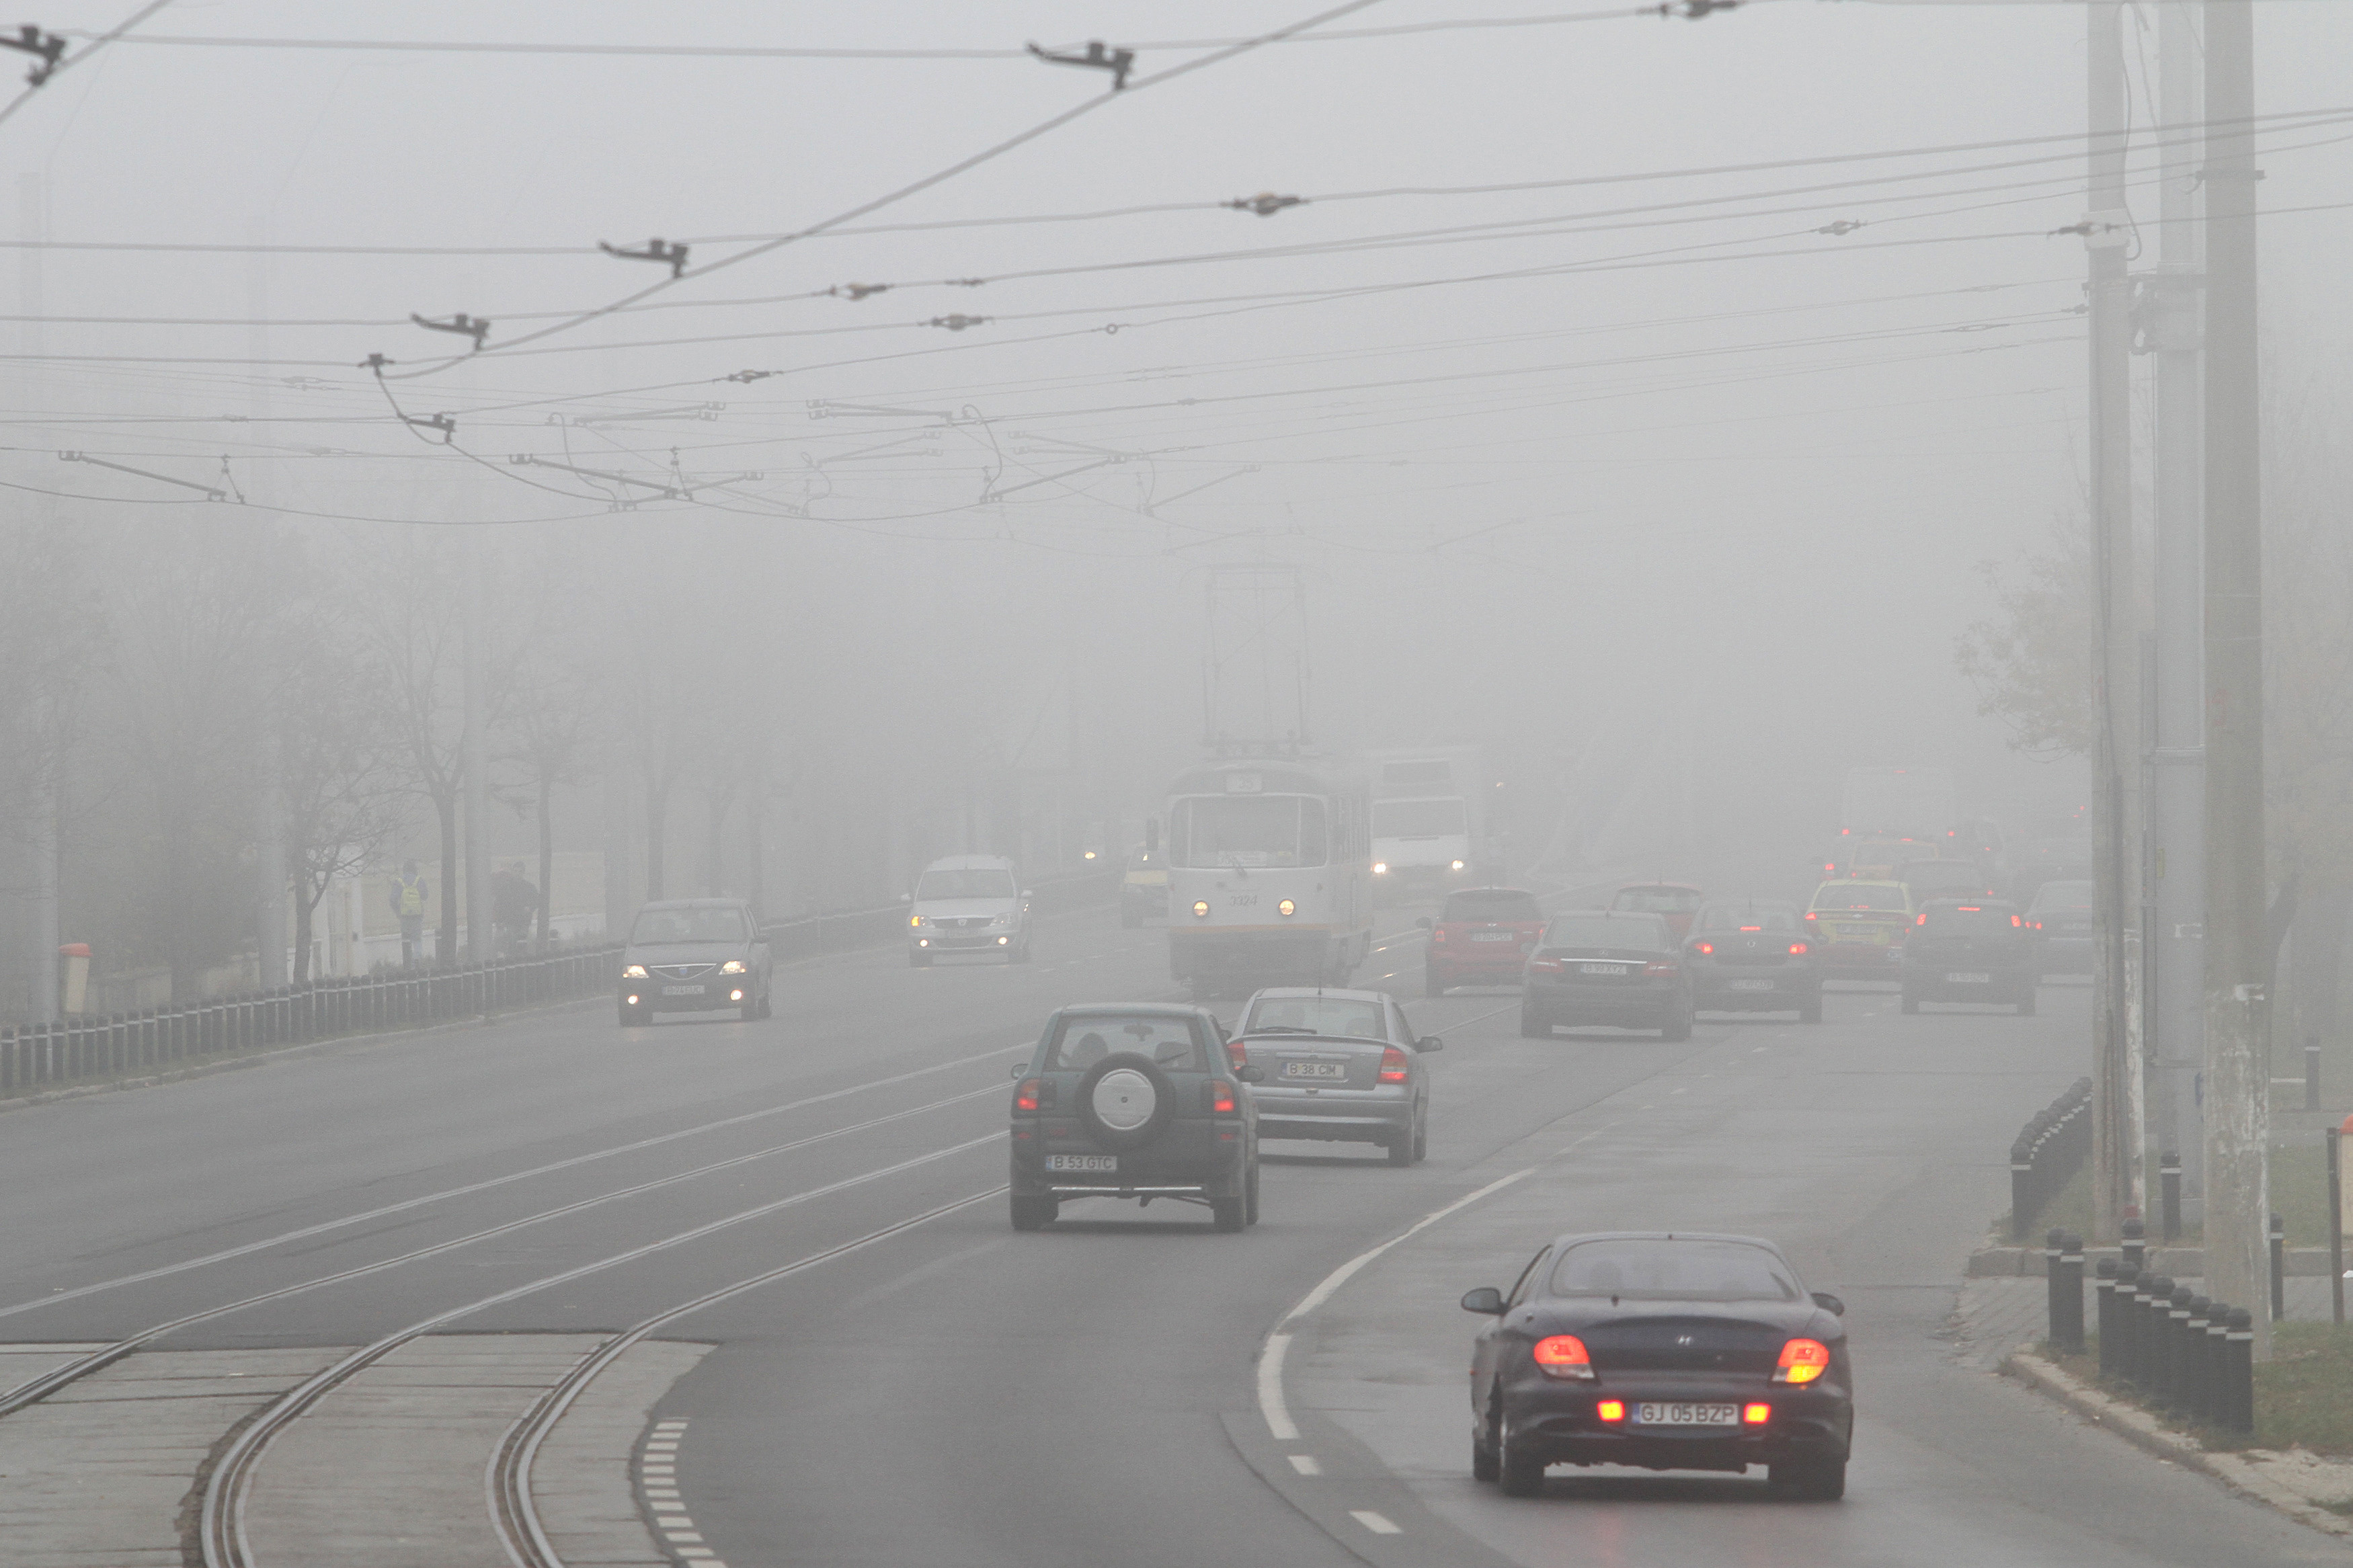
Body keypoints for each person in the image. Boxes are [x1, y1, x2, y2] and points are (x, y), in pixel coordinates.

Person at [492, 861, 541, 956]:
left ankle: (520, 962)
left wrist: (530, 908)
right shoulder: (506, 888)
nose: (518, 874)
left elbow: (536, 900)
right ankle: (513, 961)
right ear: (512, 872)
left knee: (521, 943)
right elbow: (499, 904)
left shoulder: (529, 887)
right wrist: (500, 920)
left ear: (523, 873)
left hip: (524, 921)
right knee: (512, 942)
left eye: (520, 871)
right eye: (516, 871)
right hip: (511, 921)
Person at [390, 860, 429, 968]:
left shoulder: (399, 882)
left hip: (404, 916)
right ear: (415, 869)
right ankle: (417, 960)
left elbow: (393, 900)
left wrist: (398, 912)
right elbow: (425, 896)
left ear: (404, 869)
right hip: (417, 915)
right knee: (417, 939)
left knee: (406, 939)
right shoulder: (419, 880)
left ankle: (408, 963)